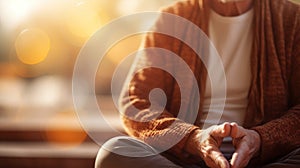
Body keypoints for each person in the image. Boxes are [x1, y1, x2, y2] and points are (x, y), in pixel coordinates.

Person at [95, 0, 300, 167]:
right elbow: (135, 103)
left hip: (267, 160)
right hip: (186, 159)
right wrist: (193, 140)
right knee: (115, 152)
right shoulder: (170, 20)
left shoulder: (293, 19)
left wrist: (260, 139)